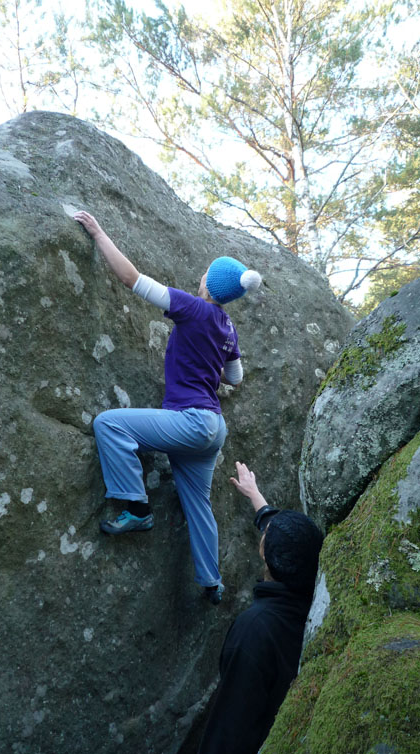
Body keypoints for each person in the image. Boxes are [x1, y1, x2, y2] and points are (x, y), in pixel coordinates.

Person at [73, 211, 262, 605]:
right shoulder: (228, 327)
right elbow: (236, 378)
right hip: (212, 429)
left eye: (207, 272)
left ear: (209, 284)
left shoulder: (193, 308)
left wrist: (99, 232)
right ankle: (212, 583)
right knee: (198, 505)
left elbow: (132, 279)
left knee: (109, 425)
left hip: (190, 421)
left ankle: (138, 508)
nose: (202, 275)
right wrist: (208, 359)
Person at [180, 461, 323, 754]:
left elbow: (232, 721)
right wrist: (255, 496)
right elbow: (292, 543)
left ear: (264, 554)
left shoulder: (255, 630)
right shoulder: (311, 600)